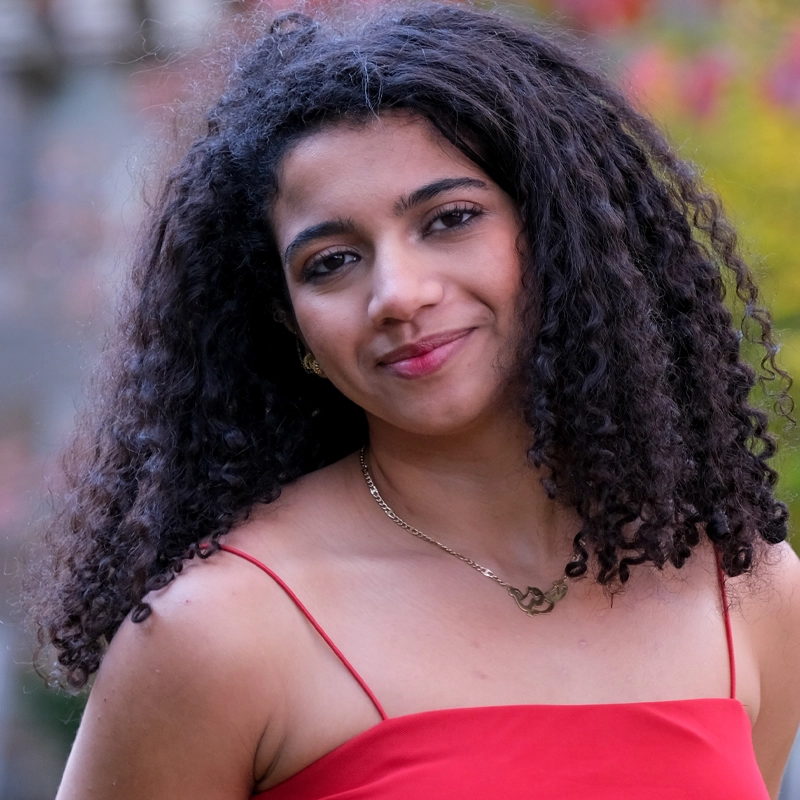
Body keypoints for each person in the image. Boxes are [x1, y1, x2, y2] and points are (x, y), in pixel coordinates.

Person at [32, 2, 800, 798]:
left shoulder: (746, 587)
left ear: (559, 232)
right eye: (331, 263)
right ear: (286, 319)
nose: (397, 294)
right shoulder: (219, 631)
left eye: (450, 219)